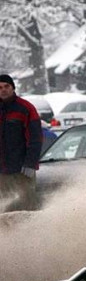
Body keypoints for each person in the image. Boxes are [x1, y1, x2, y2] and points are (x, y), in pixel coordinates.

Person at [0, 74, 43, 211]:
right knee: (5, 211)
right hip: (1, 173)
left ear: (13, 88)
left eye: (7, 86)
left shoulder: (25, 108)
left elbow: (35, 138)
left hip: (22, 171)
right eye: (0, 87)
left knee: (27, 209)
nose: (3, 90)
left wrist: (30, 164)